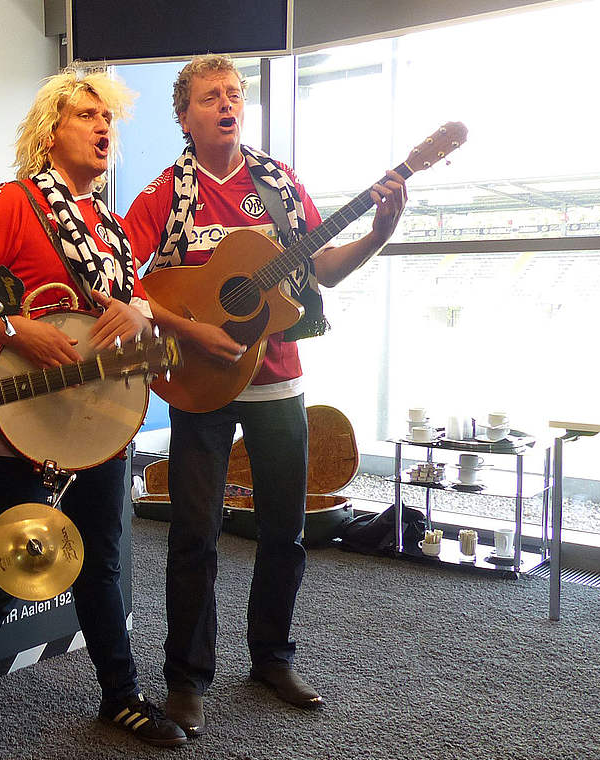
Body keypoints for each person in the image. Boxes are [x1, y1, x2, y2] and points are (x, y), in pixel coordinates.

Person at [122, 54, 407, 736]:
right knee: (194, 533)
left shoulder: (278, 187)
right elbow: (122, 282)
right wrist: (189, 326)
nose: (226, 103)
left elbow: (324, 269)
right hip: (198, 377)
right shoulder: (163, 196)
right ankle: (187, 678)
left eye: (233, 94)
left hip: (278, 373)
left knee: (286, 528)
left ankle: (272, 657)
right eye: (210, 96)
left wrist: (379, 230)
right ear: (184, 115)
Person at [0, 69, 188, 748]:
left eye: (111, 119)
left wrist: (137, 316)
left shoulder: (109, 227)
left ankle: (121, 696)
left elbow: (132, 326)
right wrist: (17, 328)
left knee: (100, 565)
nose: (106, 128)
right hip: (24, 429)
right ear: (50, 133)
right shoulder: (8, 203)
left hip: (99, 428)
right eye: (88, 115)